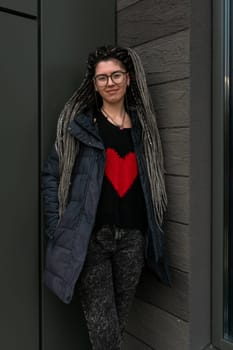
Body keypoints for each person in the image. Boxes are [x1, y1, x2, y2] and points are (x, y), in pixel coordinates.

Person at [42, 45, 170, 350]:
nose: (109, 83)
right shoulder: (79, 126)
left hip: (133, 242)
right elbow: (51, 177)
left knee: (117, 324)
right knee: (104, 332)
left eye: (116, 75)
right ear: (94, 84)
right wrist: (57, 228)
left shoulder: (143, 128)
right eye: (102, 78)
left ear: (128, 79)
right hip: (91, 242)